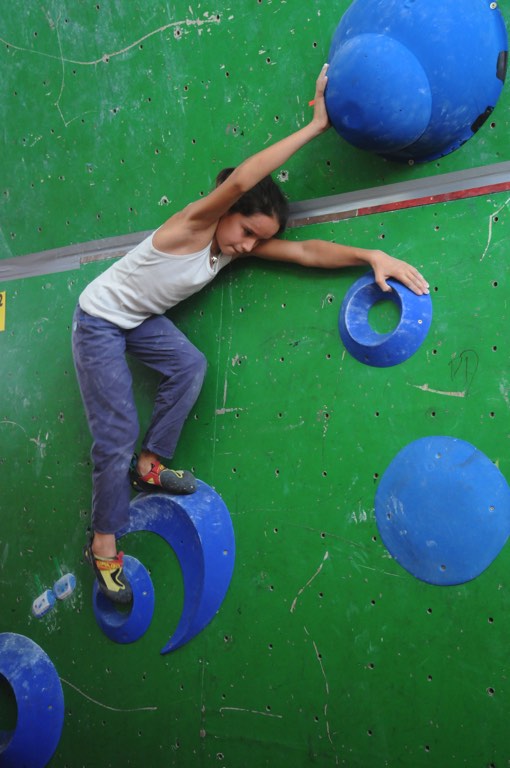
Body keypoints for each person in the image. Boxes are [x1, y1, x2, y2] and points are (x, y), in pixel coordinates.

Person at [72, 65, 429, 604]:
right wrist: (316, 126)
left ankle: (149, 466)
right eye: (245, 230)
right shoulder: (194, 225)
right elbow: (241, 182)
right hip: (100, 319)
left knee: (190, 366)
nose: (246, 245)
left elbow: (306, 252)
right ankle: (103, 544)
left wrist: (369, 254)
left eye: (256, 240)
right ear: (226, 210)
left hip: (139, 319)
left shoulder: (230, 248)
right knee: (116, 430)